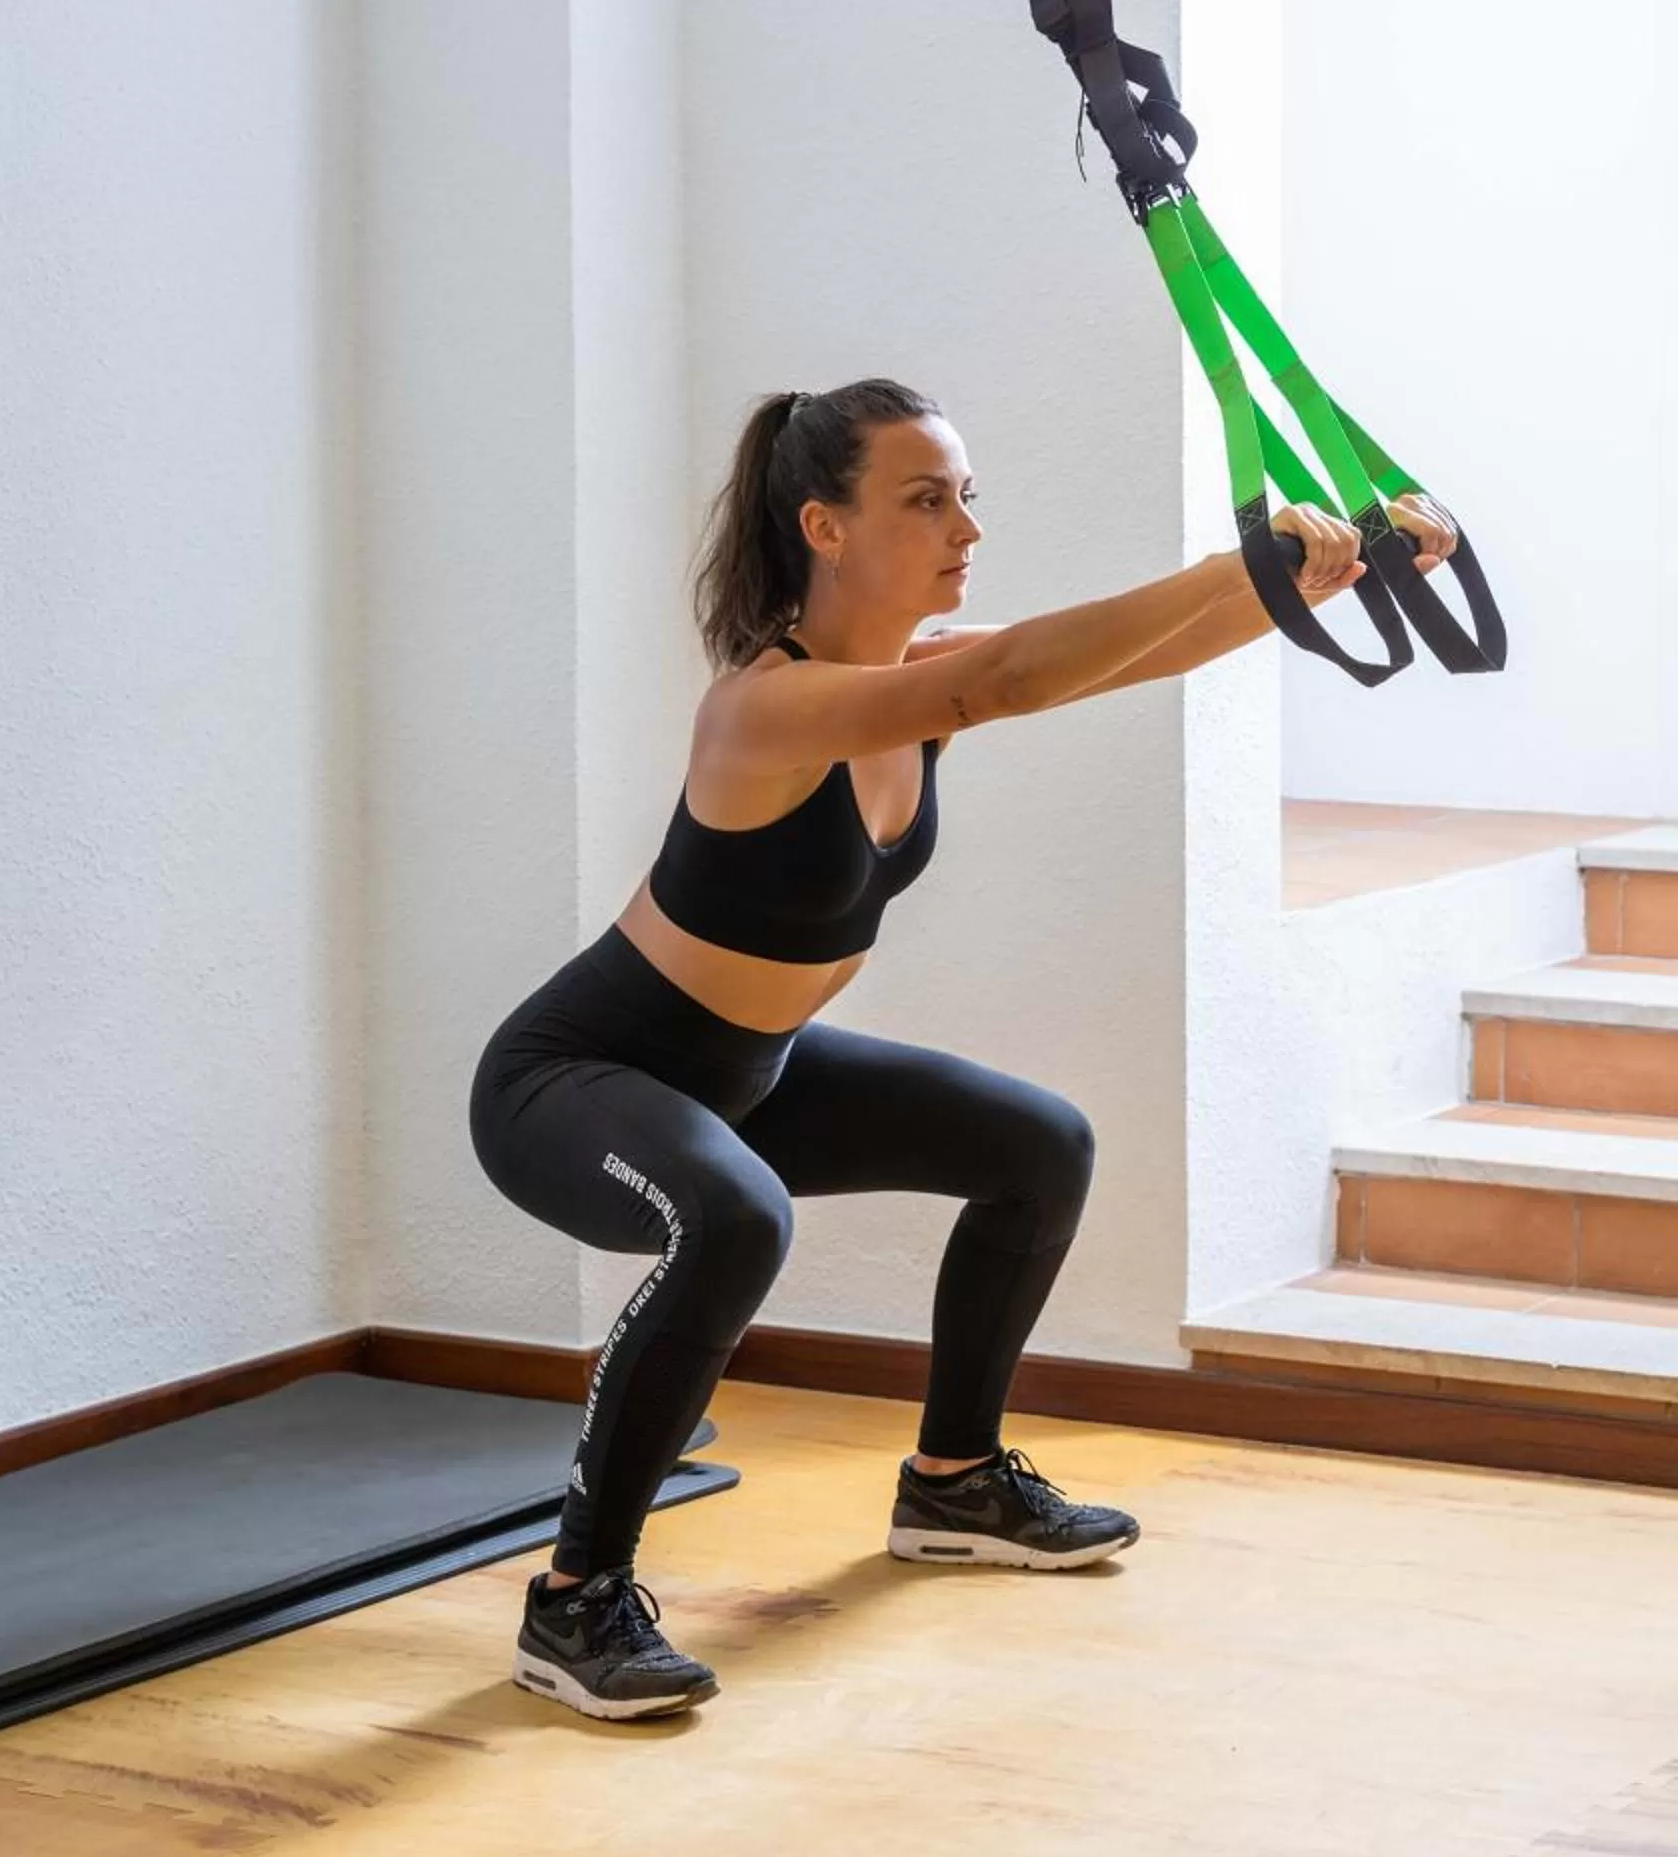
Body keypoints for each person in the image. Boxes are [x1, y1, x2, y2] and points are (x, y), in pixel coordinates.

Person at [468, 378, 1458, 1723]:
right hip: (575, 1083)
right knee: (733, 1219)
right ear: (824, 525)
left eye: (966, 498)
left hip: (751, 1075)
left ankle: (955, 1484)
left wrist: (1332, 571)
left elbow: (1135, 653)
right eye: (925, 499)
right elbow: (1012, 677)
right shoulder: (766, 710)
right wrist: (1252, 558)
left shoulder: (911, 688)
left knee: (1036, 1143)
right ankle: (576, 1598)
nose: (964, 529)